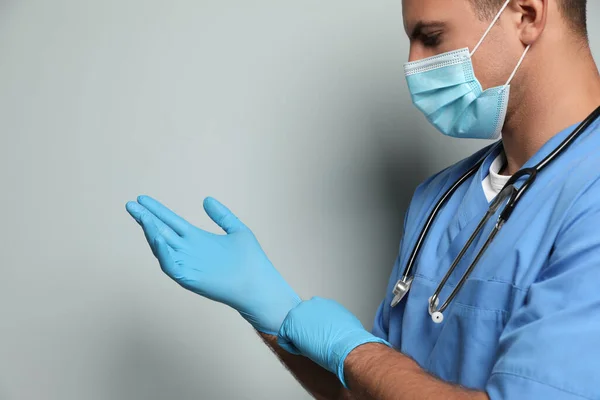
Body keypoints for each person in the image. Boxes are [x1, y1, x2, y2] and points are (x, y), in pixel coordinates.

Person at [125, 0, 600, 398]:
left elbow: (360, 359)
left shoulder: (590, 194)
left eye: (431, 37)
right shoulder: (439, 200)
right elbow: (374, 387)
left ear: (526, 14)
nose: (413, 66)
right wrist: (274, 311)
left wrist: (350, 348)